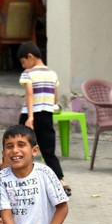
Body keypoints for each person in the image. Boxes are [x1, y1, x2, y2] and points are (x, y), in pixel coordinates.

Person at [17, 41, 70, 196]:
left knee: (20, 147)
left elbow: (29, 94)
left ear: (30, 57)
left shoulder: (28, 74)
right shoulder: (52, 74)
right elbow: (54, 99)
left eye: (23, 62)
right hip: (47, 115)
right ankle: (61, 181)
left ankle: (18, 179)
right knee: (48, 150)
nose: (23, 66)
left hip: (30, 115)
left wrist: (30, 117)